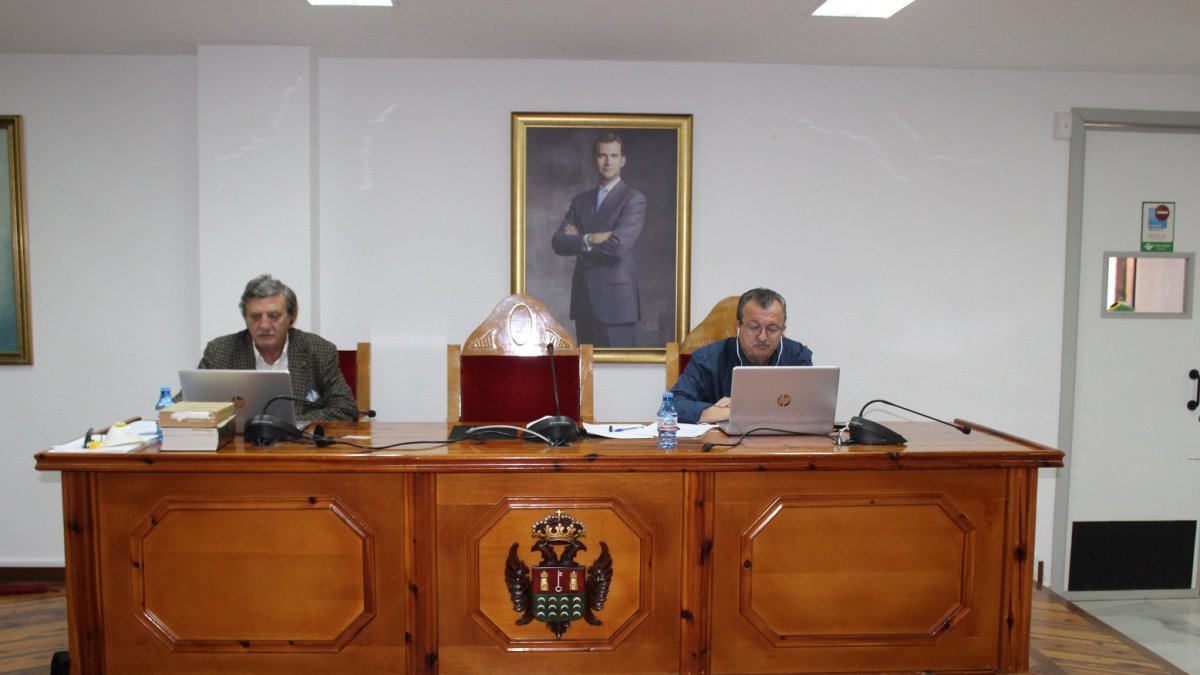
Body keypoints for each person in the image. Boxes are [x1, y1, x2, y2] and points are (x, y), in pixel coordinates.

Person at [198, 274, 357, 421]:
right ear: (245, 318)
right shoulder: (220, 351)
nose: (265, 325)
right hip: (238, 448)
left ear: (292, 317)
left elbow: (345, 408)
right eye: (255, 316)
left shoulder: (318, 350)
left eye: (274, 316)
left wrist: (287, 424)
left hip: (297, 447)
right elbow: (186, 405)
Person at [551, 132, 647, 348]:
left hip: (617, 305)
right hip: (584, 301)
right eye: (602, 155)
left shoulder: (633, 199)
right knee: (586, 377)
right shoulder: (580, 201)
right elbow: (558, 242)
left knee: (621, 379)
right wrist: (591, 238)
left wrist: (579, 244)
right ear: (594, 160)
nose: (608, 161)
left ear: (622, 160)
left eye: (613, 155)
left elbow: (617, 248)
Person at [670, 288, 813, 424]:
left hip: (781, 445)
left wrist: (747, 406)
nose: (763, 337)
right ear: (738, 327)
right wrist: (733, 412)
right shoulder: (707, 358)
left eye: (772, 329)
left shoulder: (797, 356)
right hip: (721, 446)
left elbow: (811, 408)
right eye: (753, 327)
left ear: (782, 330)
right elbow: (674, 405)